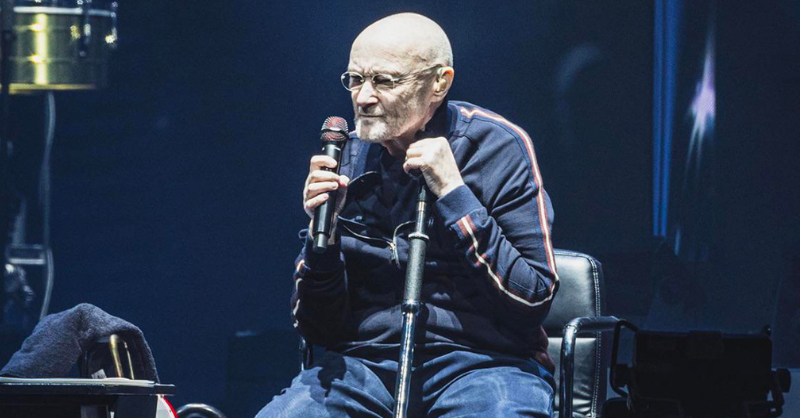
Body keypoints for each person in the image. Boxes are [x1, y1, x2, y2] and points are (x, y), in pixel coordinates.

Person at [257, 12, 559, 418]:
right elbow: (316, 327)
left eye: (384, 81)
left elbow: (532, 298)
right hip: (363, 365)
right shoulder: (346, 157)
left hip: (484, 363)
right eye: (355, 79)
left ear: (439, 83)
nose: (364, 97)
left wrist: (454, 193)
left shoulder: (495, 146)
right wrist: (321, 237)